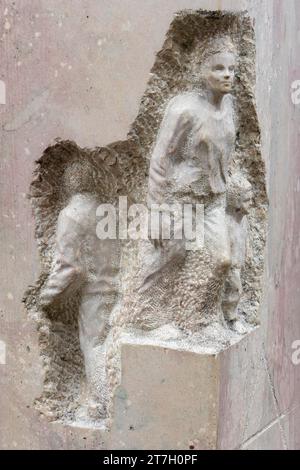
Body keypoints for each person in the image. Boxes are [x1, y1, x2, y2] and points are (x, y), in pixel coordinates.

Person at [39, 160, 120, 422]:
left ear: (69, 183)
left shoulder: (71, 214)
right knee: (109, 346)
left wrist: (45, 298)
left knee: (94, 346)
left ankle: (101, 405)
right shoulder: (106, 209)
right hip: (114, 289)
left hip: (94, 295)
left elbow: (71, 268)